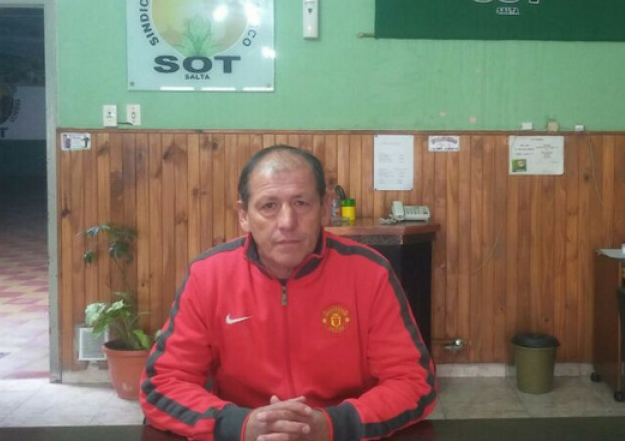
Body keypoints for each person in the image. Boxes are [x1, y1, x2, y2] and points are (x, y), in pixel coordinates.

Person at [141, 145, 436, 441]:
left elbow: (414, 382)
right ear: (244, 215)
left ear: (324, 208)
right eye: (269, 206)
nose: (287, 222)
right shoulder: (208, 276)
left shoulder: (370, 273)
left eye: (301, 203)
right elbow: (162, 384)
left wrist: (332, 425)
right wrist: (239, 425)